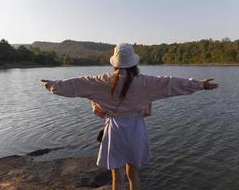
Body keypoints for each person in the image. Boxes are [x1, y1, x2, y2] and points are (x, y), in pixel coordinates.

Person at [41, 43, 218, 190]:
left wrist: (53, 85)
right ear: (134, 63)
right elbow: (171, 83)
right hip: (135, 129)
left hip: (114, 130)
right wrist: (201, 85)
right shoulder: (145, 82)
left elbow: (77, 84)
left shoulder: (103, 81)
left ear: (115, 63)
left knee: (117, 178)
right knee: (133, 174)